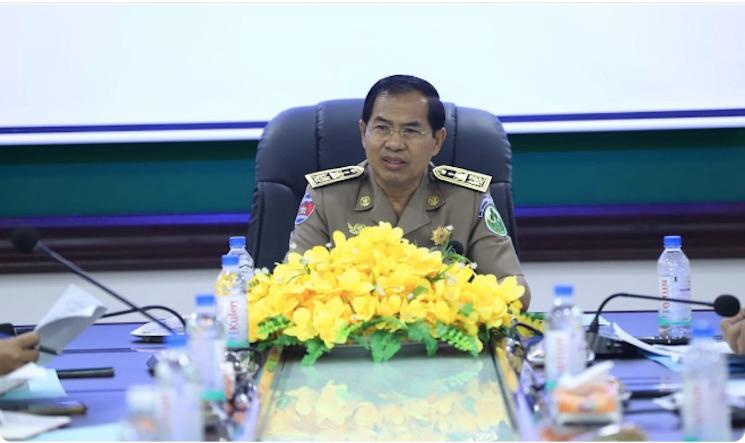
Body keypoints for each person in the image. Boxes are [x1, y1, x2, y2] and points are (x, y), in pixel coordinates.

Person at [288, 74, 531, 308]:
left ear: (437, 141)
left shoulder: (469, 198)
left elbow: (514, 291)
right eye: (382, 128)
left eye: (410, 131)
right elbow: (293, 285)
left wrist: (448, 309)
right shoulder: (326, 196)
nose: (394, 144)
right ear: (363, 133)